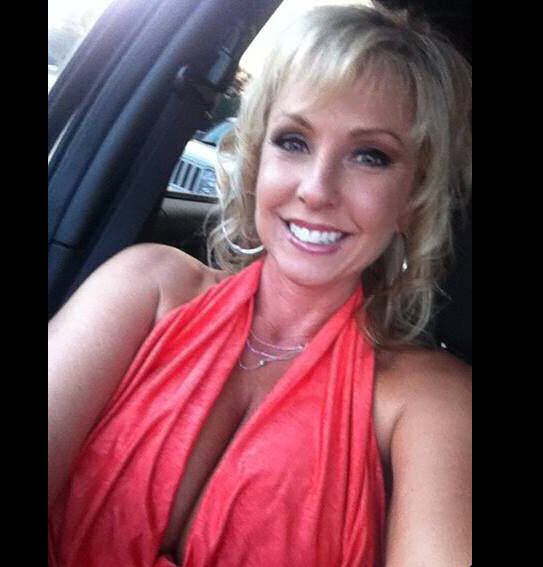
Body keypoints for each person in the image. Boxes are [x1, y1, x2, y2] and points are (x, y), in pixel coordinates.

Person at [48, 4, 472, 567]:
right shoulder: (146, 287)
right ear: (256, 159)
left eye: (370, 156)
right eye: (293, 141)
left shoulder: (427, 400)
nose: (316, 189)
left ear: (412, 201)